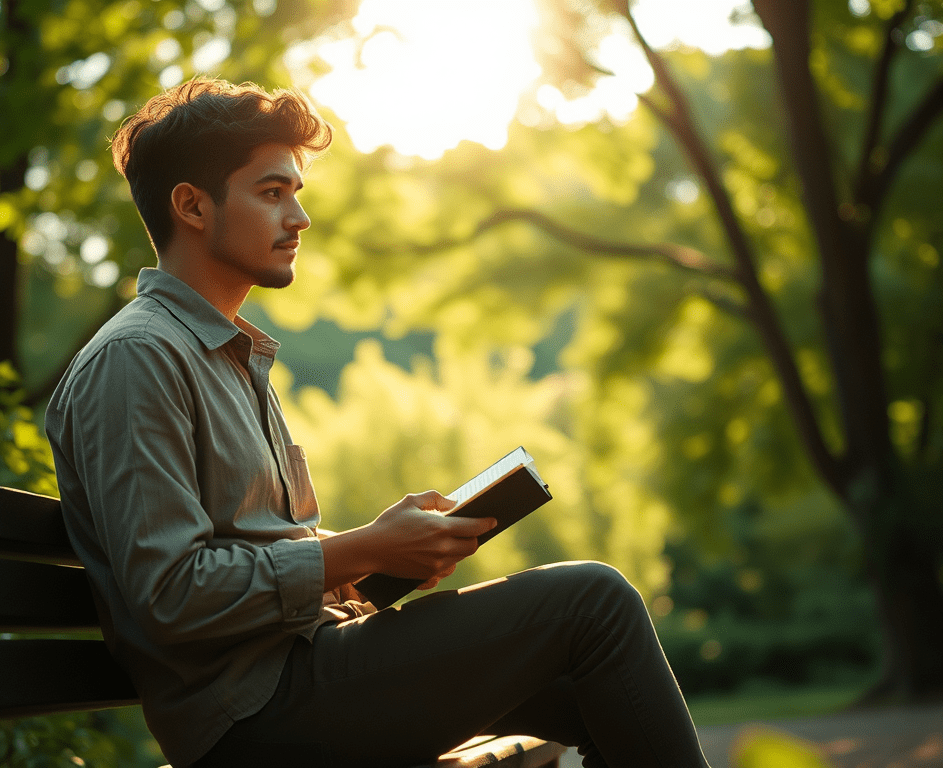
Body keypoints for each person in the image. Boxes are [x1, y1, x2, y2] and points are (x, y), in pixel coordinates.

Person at [45, 77, 710, 768]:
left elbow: (255, 549)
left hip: (307, 670)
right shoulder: (137, 360)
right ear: (191, 205)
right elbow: (171, 594)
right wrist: (363, 550)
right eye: (272, 193)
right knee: (593, 602)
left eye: (296, 193)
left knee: (597, 684)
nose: (299, 217)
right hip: (252, 717)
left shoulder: (224, 353)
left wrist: (382, 555)